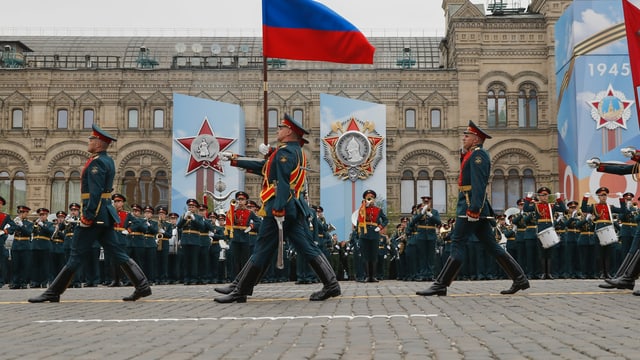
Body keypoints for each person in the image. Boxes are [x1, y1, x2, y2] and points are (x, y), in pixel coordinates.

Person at [214, 114, 340, 303]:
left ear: (289, 132)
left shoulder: (285, 153)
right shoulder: (291, 151)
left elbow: (282, 182)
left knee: (263, 247)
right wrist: (236, 159)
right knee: (305, 246)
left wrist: (279, 208)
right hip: (292, 207)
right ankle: (331, 285)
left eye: (281, 127)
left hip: (280, 206)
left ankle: (240, 290)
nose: (277, 129)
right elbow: (267, 167)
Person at [28, 124, 151, 302]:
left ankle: (53, 292)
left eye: (92, 139)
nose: (90, 141)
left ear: (100, 143)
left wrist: (88, 216)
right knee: (117, 252)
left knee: (76, 254)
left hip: (95, 216)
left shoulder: (98, 162)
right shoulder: (106, 160)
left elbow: (95, 192)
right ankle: (142, 286)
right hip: (105, 215)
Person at [416, 120, 529, 296]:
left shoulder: (479, 155)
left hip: (471, 207)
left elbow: (479, 183)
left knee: (457, 244)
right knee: (492, 246)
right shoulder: (472, 154)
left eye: (467, 135)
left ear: (476, 139)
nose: (463, 138)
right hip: (472, 206)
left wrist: (474, 207)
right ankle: (520, 279)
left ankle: (441, 284)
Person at [356, 189, 389, 282]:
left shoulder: (378, 210)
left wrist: (380, 227)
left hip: (374, 233)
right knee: (365, 255)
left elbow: (386, 220)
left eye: (372, 198)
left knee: (374, 255)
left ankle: (373, 276)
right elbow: (359, 221)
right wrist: (364, 207)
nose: (370, 200)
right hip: (365, 234)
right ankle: (367, 276)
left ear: (374, 199)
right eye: (368, 198)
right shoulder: (362, 209)